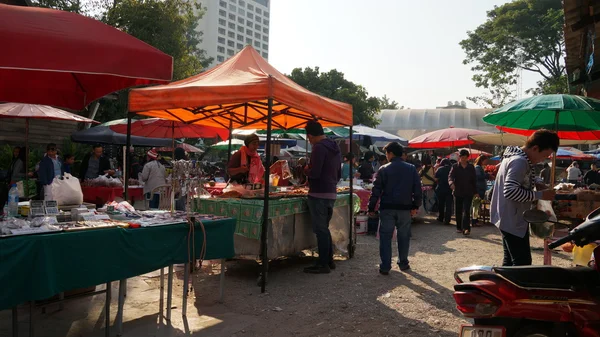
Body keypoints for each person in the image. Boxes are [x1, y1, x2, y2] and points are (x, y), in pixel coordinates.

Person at [491, 129, 559, 266]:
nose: (543, 160)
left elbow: (519, 183)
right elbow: (510, 191)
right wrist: (540, 195)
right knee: (522, 263)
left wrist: (537, 184)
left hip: (508, 216)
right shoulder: (520, 161)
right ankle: (513, 287)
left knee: (510, 261)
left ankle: (505, 286)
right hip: (511, 217)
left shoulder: (517, 157)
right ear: (535, 148)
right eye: (545, 155)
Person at [368, 142, 421, 275]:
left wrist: (371, 207)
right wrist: (415, 205)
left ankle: (385, 266)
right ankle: (403, 263)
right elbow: (417, 189)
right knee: (404, 236)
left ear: (390, 153)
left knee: (385, 237)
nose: (386, 156)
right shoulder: (411, 168)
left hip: (387, 208)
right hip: (405, 208)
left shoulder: (383, 169)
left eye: (386, 153)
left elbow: (376, 190)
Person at [303, 120, 342, 274]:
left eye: (309, 138)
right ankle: (329, 260)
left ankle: (322, 263)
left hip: (318, 192)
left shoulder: (318, 148)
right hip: (331, 191)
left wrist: (306, 170)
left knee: (321, 230)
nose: (309, 141)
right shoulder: (334, 147)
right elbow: (338, 172)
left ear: (311, 135)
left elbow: (315, 172)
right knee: (324, 229)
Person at [449, 149, 477, 236]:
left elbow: (474, 180)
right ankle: (459, 227)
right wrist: (451, 183)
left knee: (466, 210)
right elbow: (450, 176)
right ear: (459, 157)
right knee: (458, 210)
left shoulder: (471, 167)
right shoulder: (455, 166)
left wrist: (476, 191)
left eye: (465, 157)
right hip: (458, 192)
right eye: (462, 157)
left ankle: (466, 229)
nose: (464, 159)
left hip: (468, 192)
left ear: (467, 158)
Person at [472, 155, 490, 226]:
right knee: (476, 206)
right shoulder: (477, 167)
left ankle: (475, 220)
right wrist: (487, 175)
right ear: (482, 160)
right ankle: (474, 221)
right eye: (485, 160)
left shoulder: (479, 167)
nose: (486, 162)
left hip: (480, 189)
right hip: (478, 189)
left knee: (477, 205)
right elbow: (478, 176)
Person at [435, 159, 453, 225]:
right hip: (449, 189)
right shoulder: (452, 169)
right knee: (449, 205)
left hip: (441, 188)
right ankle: (447, 220)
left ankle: (441, 217)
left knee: (441, 204)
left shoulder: (440, 169)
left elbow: (436, 179)